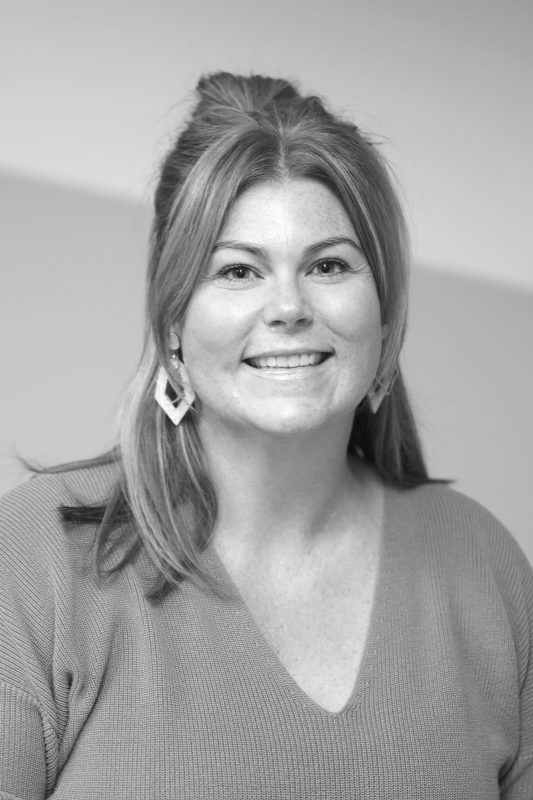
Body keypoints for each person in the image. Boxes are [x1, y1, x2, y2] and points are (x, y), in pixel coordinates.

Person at [0, 72, 531, 800]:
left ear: (385, 317)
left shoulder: (486, 569)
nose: (287, 305)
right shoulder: (36, 561)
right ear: (172, 327)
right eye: (238, 270)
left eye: (328, 264)